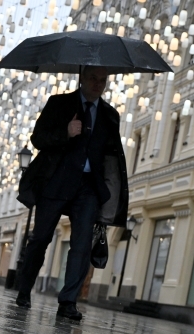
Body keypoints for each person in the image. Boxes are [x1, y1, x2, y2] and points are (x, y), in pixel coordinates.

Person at [15, 66, 129, 321]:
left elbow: (111, 156)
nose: (98, 84)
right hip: (57, 181)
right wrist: (65, 133)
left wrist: (110, 194)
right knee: (41, 238)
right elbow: (38, 139)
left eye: (103, 80)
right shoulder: (59, 103)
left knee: (80, 245)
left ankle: (68, 302)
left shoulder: (110, 115)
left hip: (88, 188)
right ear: (82, 79)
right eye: (93, 78)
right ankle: (24, 290)